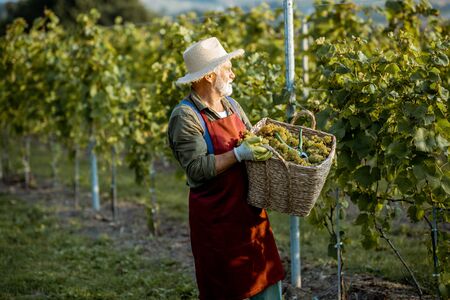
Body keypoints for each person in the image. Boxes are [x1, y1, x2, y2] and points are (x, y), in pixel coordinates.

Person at [168, 37, 285, 300]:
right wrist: (239, 153)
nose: (233, 73)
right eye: (227, 68)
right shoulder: (186, 116)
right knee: (226, 286)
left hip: (249, 213)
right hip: (217, 219)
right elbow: (196, 168)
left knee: (265, 278)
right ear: (209, 76)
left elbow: (251, 139)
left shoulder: (232, 105)